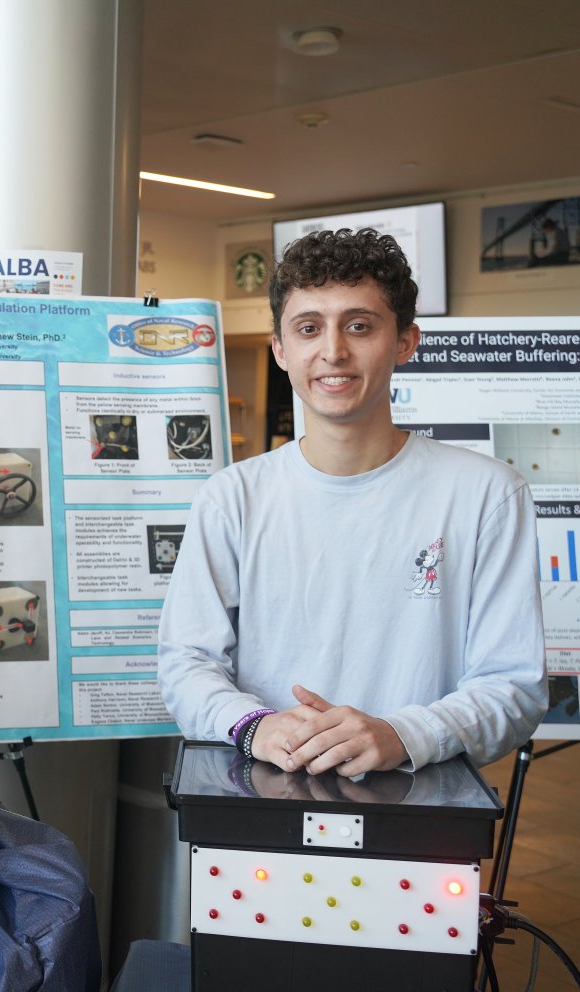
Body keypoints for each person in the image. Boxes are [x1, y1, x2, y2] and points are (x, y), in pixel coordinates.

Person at [157, 227, 545, 777]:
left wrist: (404, 734)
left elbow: (514, 684)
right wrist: (255, 726)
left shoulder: (487, 495)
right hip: (264, 791)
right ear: (280, 349)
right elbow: (187, 661)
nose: (333, 351)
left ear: (406, 341)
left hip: (418, 797)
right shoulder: (233, 498)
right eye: (308, 328)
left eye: (359, 326)